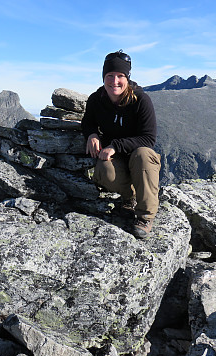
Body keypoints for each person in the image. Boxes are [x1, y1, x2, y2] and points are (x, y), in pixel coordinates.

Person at [81, 50, 161, 239]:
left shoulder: (141, 100)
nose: (114, 81)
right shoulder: (97, 99)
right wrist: (91, 133)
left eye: (120, 76)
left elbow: (148, 139)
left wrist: (115, 145)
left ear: (127, 78)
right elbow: (87, 121)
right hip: (116, 159)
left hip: (140, 158)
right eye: (110, 76)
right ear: (103, 77)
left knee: (143, 155)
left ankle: (145, 216)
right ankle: (130, 197)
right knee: (104, 169)